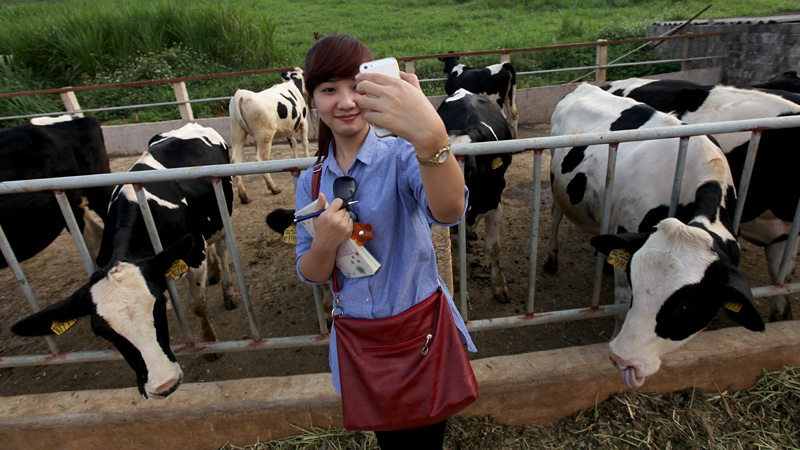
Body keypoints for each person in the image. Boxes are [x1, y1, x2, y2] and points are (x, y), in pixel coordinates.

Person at [295, 34, 477, 449]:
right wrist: (324, 242)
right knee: (390, 440)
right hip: (362, 344)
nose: (346, 102)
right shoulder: (311, 182)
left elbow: (448, 211)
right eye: (328, 90)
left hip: (417, 336)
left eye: (355, 87)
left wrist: (432, 140)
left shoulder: (401, 155)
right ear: (312, 100)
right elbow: (309, 271)